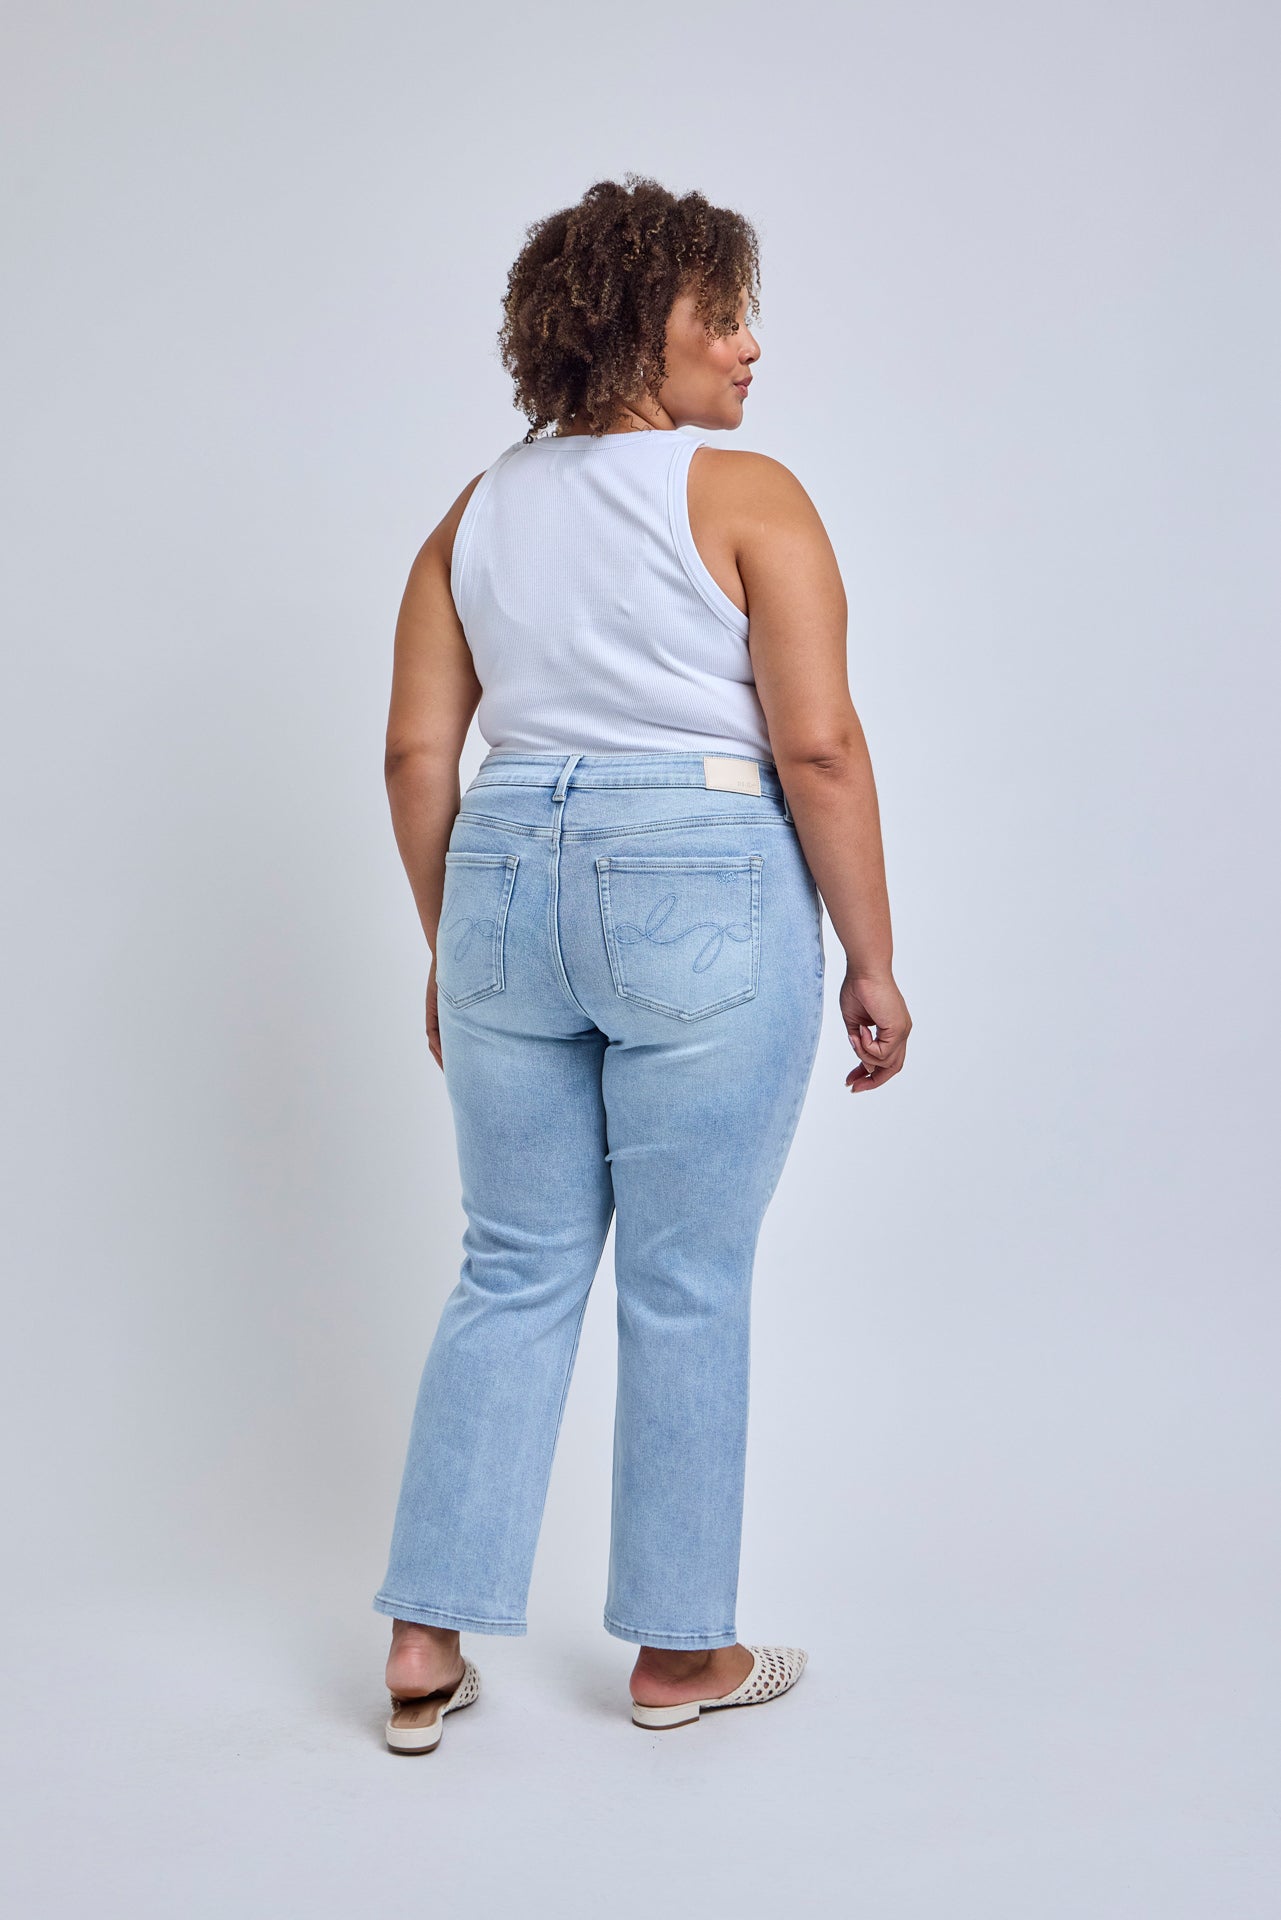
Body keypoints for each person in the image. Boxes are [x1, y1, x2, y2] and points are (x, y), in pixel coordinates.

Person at [371, 173, 912, 1753]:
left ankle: (422, 1642)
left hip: (498, 881)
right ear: (631, 326)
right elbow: (816, 748)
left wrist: (454, 945)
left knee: (510, 1265)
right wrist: (870, 955)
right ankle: (680, 1656)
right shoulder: (743, 494)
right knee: (685, 1278)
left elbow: (416, 755)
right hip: (698, 876)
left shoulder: (473, 512)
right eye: (719, 315)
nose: (748, 346)